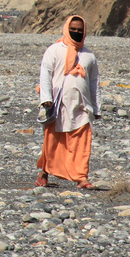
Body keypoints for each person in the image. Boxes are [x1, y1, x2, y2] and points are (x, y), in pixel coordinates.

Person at [36, 14, 100, 188]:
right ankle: (45, 171)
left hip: (82, 107)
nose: (76, 33)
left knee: (83, 143)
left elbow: (94, 82)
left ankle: (81, 177)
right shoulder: (54, 50)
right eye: (73, 30)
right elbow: (45, 74)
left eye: (80, 30)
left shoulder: (89, 56)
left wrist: (96, 108)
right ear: (67, 29)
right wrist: (46, 98)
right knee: (53, 142)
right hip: (59, 105)